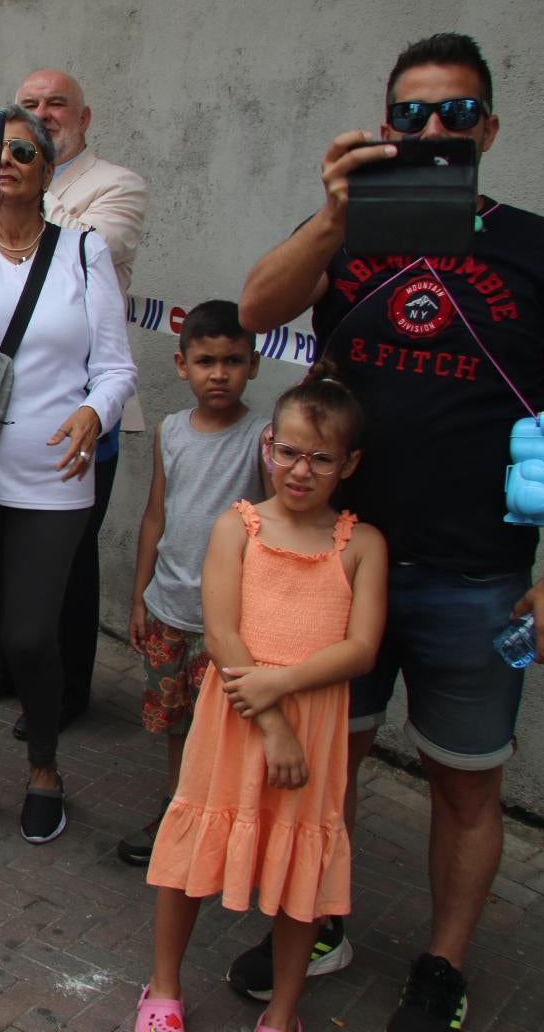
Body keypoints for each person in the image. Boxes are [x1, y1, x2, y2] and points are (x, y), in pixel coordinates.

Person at [234, 33, 544, 1031]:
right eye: (410, 115)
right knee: (325, 762)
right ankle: (319, 916)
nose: (432, 131)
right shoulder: (347, 234)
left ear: (488, 127)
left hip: (477, 574)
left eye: (454, 114)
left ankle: (442, 964)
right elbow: (256, 306)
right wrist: (330, 216)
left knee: (465, 783)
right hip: (337, 560)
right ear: (384, 125)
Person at [140, 370, 388, 1032]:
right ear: (268, 446)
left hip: (311, 728)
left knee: (300, 872)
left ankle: (283, 1010)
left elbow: (362, 647)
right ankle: (162, 988)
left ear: (349, 463)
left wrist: (282, 686)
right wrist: (273, 721)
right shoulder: (238, 527)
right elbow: (222, 634)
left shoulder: (361, 545)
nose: (300, 471)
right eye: (289, 452)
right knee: (192, 847)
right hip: (241, 720)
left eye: (321, 458)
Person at [0, 102, 137, 847]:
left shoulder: (83, 253)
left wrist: (96, 415)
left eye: (23, 152)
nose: (5, 162)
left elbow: (114, 368)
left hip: (52, 472)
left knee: (30, 632)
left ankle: (44, 768)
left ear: (49, 171)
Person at [0, 69, 150, 736]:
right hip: (1, 401)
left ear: (85, 118)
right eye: (29, 105)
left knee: (70, 556)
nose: (44, 113)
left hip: (84, 403)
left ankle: (68, 688)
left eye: (57, 104)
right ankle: (2, 671)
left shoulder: (116, 184)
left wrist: (14, 199)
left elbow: (89, 249)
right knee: (0, 546)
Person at [117, 300, 267, 868]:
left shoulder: (264, 437)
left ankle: (227, 829)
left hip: (227, 624)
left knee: (227, 730)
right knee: (177, 724)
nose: (219, 373)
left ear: (253, 365)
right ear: (183, 366)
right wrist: (138, 597)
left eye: (233, 360)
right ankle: (176, 815)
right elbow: (156, 514)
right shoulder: (170, 431)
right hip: (168, 612)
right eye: (206, 361)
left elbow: (274, 525)